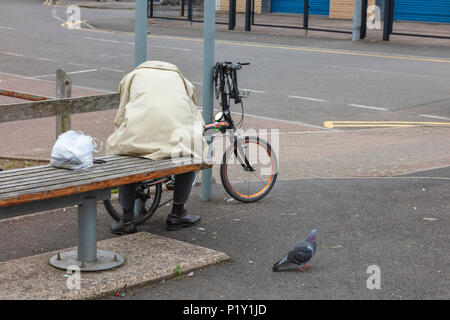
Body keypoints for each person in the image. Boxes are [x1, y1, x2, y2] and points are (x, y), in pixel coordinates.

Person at [105, 61, 208, 234]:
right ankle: (177, 213)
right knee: (191, 155)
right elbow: (193, 113)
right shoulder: (181, 80)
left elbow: (121, 114)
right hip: (175, 141)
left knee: (123, 154)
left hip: (139, 139)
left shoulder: (132, 77)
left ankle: (127, 219)